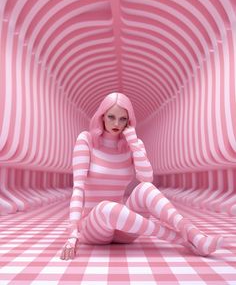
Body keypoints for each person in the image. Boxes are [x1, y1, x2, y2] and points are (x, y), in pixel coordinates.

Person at [60, 92, 223, 260]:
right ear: (102, 116)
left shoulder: (133, 143)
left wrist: (133, 142)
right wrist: (73, 233)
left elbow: (146, 179)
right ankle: (183, 240)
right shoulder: (86, 140)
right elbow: (78, 188)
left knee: (145, 189)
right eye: (111, 117)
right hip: (95, 227)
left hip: (124, 225)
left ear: (129, 121)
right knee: (106, 208)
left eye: (123, 119)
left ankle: (193, 234)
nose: (116, 123)